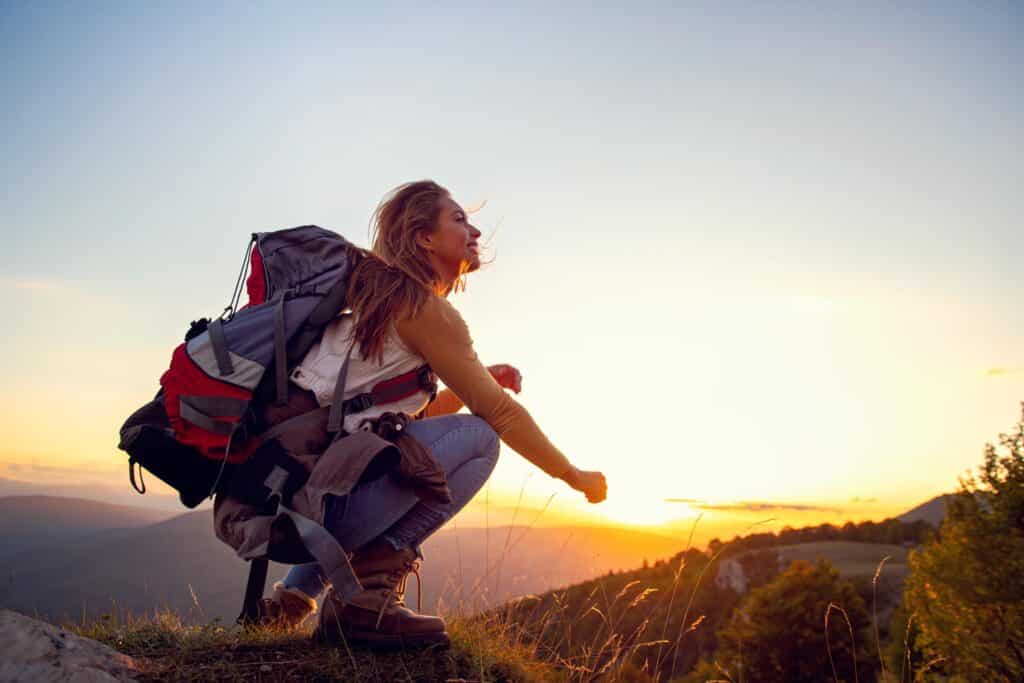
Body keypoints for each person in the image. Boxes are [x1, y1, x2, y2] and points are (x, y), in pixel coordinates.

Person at [255, 180, 607, 648]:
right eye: (459, 220)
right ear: (425, 237)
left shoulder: (376, 301)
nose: (475, 231)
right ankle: (367, 598)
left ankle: (293, 600)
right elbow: (499, 414)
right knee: (480, 439)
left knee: (388, 453)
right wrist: (572, 474)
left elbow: (393, 429)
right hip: (318, 513)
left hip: (277, 504)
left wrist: (477, 380)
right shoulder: (424, 310)